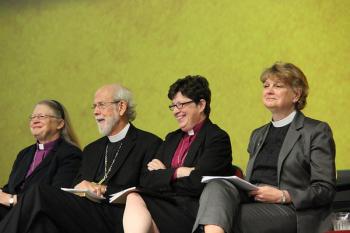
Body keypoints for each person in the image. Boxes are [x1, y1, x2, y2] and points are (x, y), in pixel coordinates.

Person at [192, 62, 336, 233]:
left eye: (278, 86)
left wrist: (283, 195)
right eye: (266, 85)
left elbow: (324, 190)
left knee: (215, 217)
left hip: (291, 210)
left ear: (296, 94)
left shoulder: (315, 131)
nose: (268, 90)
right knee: (217, 186)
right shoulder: (258, 134)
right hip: (255, 201)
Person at [0, 84, 162, 233]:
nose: (95, 111)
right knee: (42, 223)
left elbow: (149, 190)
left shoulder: (149, 143)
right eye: (94, 106)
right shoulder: (92, 149)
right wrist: (80, 186)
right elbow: (74, 185)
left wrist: (104, 189)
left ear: (121, 107)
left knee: (39, 191)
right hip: (86, 211)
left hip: (118, 215)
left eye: (101, 105)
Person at [123, 75, 236, 233]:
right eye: (173, 106)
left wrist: (164, 174)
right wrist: (179, 172)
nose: (176, 111)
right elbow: (146, 178)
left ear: (201, 104)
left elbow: (199, 182)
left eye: (181, 104)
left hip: (194, 210)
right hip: (169, 204)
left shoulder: (217, 138)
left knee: (139, 206)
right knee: (133, 196)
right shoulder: (171, 138)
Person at [0, 99, 82, 221]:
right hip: (11, 213)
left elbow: (55, 197)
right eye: (32, 117)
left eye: (42, 116)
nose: (35, 120)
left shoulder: (70, 154)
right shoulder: (24, 154)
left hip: (38, 218)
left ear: (60, 124)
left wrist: (11, 200)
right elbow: (11, 188)